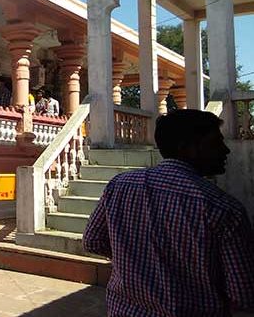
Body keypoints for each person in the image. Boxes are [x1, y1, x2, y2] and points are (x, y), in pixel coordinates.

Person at [83, 109, 254, 316]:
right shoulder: (222, 208)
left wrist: (133, 258)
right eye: (216, 143)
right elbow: (243, 294)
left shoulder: (120, 186)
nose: (225, 151)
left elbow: (92, 241)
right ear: (187, 148)